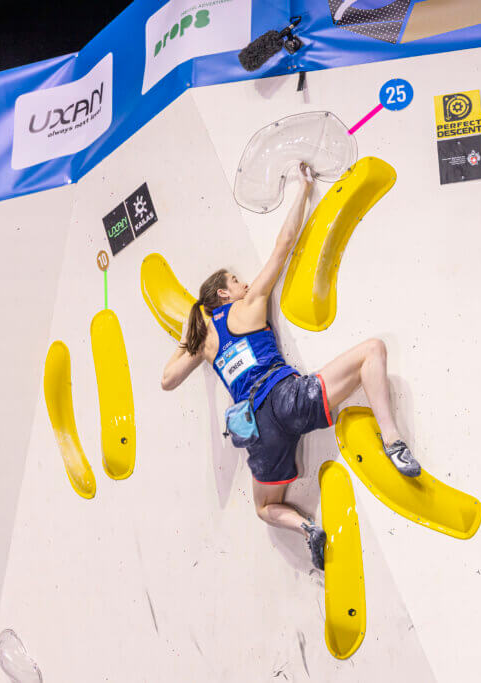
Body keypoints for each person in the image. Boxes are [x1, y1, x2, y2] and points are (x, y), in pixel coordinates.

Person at [161, 163, 419, 570]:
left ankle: (307, 528)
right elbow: (284, 246)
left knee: (264, 508)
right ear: (224, 293)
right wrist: (304, 190)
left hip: (258, 433)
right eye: (236, 280)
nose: (245, 284)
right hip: (287, 399)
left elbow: (167, 380)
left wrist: (186, 336)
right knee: (372, 350)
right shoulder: (247, 305)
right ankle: (393, 441)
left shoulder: (205, 344)